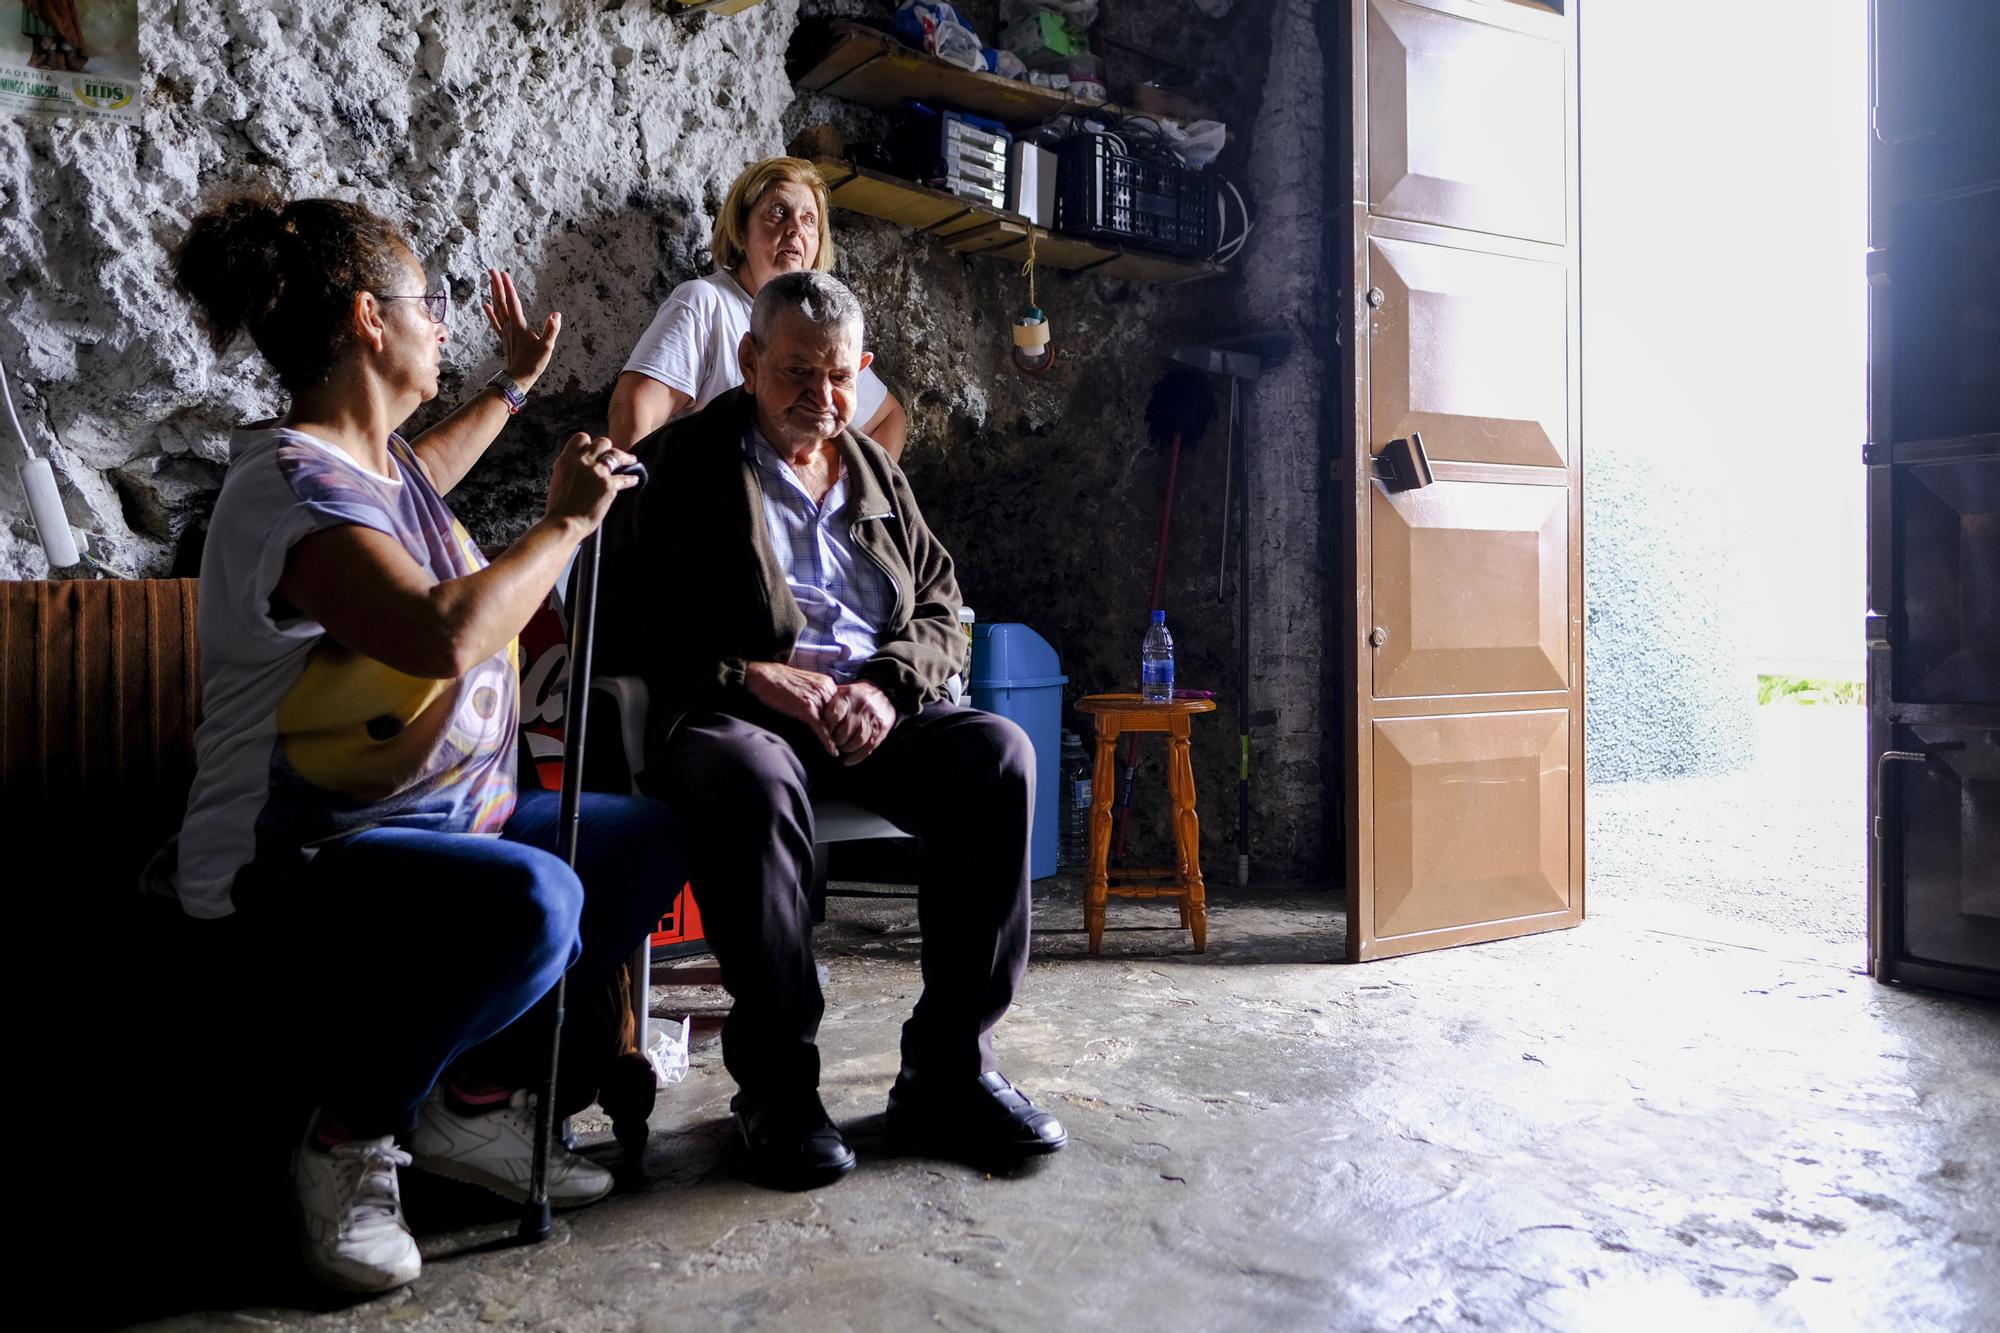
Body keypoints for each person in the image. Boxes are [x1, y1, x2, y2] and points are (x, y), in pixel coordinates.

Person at [163, 192, 687, 1293]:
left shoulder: (375, 465)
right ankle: (346, 1142)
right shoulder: (289, 490)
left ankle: (470, 1105)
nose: (441, 323)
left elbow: (426, 472)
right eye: (430, 304)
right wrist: (564, 523)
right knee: (537, 900)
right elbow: (443, 634)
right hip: (299, 872)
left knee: (642, 839)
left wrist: (511, 387)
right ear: (369, 318)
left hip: (447, 824)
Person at [601, 270, 1064, 1191]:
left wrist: (890, 688)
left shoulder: (873, 468)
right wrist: (753, 676)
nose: (821, 397)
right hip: (743, 713)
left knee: (998, 755)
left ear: (863, 372)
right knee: (753, 781)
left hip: (869, 710)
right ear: (748, 362)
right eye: (796, 373)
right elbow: (629, 618)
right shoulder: (687, 464)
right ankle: (776, 1084)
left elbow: (939, 601)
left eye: (839, 376)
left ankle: (948, 1066)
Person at [607, 156, 909, 459]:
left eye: (809, 219)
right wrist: (639, 500)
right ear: (741, 229)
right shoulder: (706, 303)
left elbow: (889, 420)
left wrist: (846, 496)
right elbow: (634, 408)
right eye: (779, 212)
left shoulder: (817, 327)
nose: (795, 230)